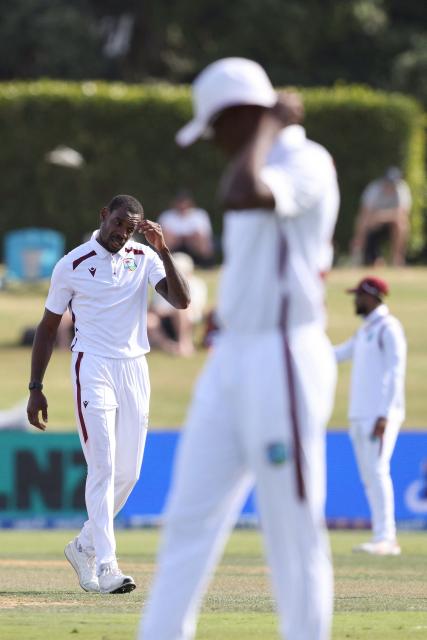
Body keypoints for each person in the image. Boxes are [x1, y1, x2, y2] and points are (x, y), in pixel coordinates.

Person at [140, 57, 340, 640]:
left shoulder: (305, 160)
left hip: (284, 358)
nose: (214, 145)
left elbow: (248, 192)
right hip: (231, 359)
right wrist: (262, 131)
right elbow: (240, 187)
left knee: (291, 528)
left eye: (217, 129)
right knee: (188, 518)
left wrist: (272, 126)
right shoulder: (251, 163)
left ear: (245, 116)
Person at [26, 194, 190, 594]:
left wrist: (164, 251)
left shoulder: (144, 256)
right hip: (92, 365)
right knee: (103, 466)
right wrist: (36, 388)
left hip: (135, 367)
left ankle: (83, 544)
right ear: (104, 216)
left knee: (129, 473)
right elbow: (48, 328)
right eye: (118, 223)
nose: (122, 233)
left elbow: (182, 301)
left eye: (130, 228)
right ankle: (106, 564)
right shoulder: (73, 264)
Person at [334, 276, 406, 556]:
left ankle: (387, 538)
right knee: (369, 476)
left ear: (372, 296)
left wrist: (385, 414)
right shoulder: (365, 330)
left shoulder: (389, 328)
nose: (355, 301)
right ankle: (381, 535)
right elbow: (338, 354)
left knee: (377, 471)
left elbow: (395, 372)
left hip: (379, 414)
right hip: (360, 414)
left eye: (359, 296)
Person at [148, 252, 207, 356]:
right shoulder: (163, 284)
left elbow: (193, 308)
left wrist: (168, 311)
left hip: (186, 320)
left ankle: (185, 344)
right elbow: (155, 308)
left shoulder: (196, 285)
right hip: (165, 321)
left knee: (181, 310)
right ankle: (168, 346)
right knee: (149, 319)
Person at [351, 167, 412, 266]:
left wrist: (381, 216)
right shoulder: (373, 189)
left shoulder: (402, 189)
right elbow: (364, 213)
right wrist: (359, 235)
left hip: (390, 223)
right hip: (373, 224)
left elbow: (402, 214)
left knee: (402, 225)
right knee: (364, 222)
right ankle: (358, 255)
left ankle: (397, 259)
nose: (390, 186)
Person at [158, 191, 215, 266]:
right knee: (165, 237)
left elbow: (205, 236)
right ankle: (163, 263)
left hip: (193, 246)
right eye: (180, 202)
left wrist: (189, 238)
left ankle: (206, 264)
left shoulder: (200, 214)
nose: (182, 205)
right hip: (174, 247)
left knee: (199, 238)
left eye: (184, 202)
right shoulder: (166, 216)